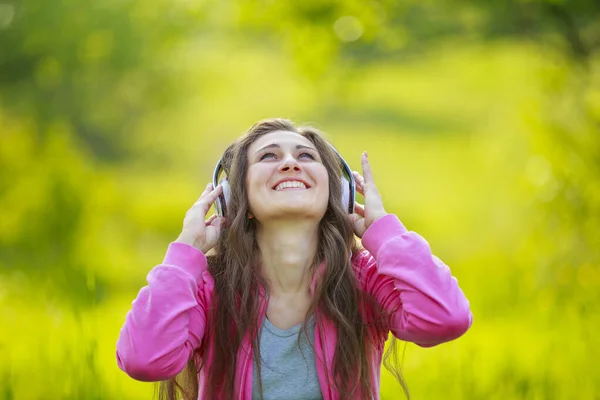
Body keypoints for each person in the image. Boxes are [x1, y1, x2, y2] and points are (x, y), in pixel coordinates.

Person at [116, 118, 473, 400]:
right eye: (268, 156)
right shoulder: (209, 290)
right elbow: (143, 359)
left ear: (340, 195)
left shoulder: (363, 280)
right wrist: (185, 252)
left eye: (305, 156)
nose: (290, 163)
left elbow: (446, 318)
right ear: (233, 199)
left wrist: (386, 234)